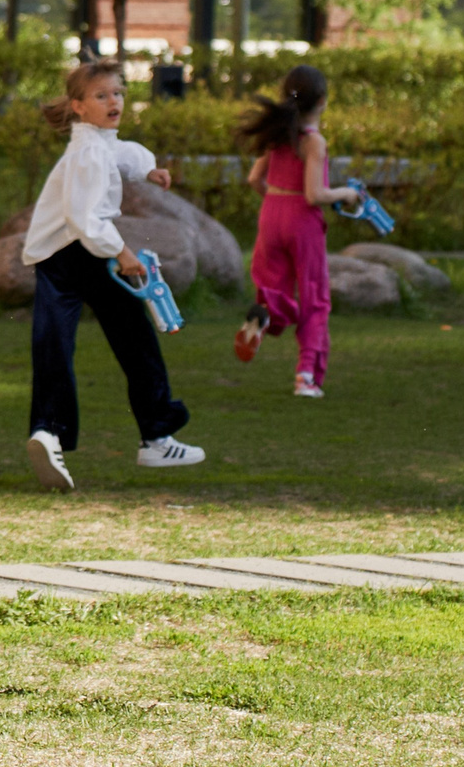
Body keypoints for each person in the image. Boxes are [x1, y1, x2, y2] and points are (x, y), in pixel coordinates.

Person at [22, 59, 204, 492]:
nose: (113, 101)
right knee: (131, 341)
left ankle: (52, 431)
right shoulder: (87, 153)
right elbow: (85, 220)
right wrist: (123, 253)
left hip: (60, 255)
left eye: (118, 93)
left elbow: (121, 152)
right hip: (75, 254)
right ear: (79, 107)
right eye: (102, 96)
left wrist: (148, 169)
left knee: (57, 344)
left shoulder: (97, 142)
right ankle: (152, 434)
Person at [235, 64, 356, 399]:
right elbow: (314, 194)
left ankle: (264, 318)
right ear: (322, 101)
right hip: (301, 221)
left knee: (275, 287)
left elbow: (254, 180)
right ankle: (306, 376)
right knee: (315, 299)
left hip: (271, 213)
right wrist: (346, 194)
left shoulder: (277, 136)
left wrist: (276, 202)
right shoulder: (313, 141)